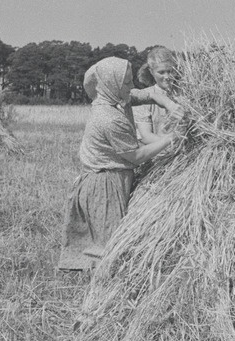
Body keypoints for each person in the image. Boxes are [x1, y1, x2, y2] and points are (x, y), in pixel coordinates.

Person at [57, 57, 184, 272]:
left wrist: (169, 104)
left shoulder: (116, 96)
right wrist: (171, 138)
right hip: (104, 183)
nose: (131, 86)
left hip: (114, 177)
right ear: (111, 83)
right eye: (126, 82)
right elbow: (137, 156)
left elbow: (148, 94)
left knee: (108, 241)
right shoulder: (109, 118)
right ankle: (103, 293)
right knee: (110, 244)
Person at [134, 46, 181, 144]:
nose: (167, 77)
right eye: (161, 72)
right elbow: (146, 136)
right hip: (161, 153)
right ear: (151, 72)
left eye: (170, 71)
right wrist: (173, 145)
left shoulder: (184, 93)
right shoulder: (144, 97)